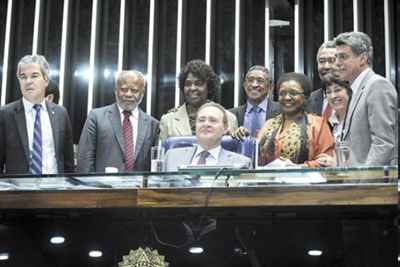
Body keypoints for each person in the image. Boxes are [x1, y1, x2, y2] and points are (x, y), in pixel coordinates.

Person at [0, 54, 74, 174]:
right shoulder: (5, 115)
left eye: (34, 76)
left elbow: (68, 163)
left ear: (46, 80)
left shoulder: (61, 114)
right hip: (19, 190)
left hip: (54, 188)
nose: (28, 81)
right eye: (23, 77)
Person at [334, 31, 398, 166]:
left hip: (370, 183)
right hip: (353, 181)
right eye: (336, 57)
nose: (337, 63)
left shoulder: (377, 85)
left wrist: (365, 180)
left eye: (343, 57)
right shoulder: (354, 89)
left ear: (363, 59)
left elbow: (383, 144)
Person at [77, 70, 159, 172]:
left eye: (134, 90)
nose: (128, 94)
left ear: (142, 94)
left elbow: (155, 165)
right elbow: (85, 160)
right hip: (103, 187)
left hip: (139, 187)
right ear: (116, 91)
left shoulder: (153, 125)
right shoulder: (96, 117)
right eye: (124, 89)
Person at [257, 72, 335, 168]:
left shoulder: (318, 124)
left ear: (305, 97)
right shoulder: (269, 124)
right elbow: (256, 156)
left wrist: (300, 167)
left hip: (304, 181)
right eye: (282, 93)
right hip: (268, 181)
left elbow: (327, 161)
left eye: (293, 93)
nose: (287, 97)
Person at [159, 59, 238, 143]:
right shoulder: (168, 120)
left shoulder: (229, 118)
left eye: (198, 83)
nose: (192, 88)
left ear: (209, 87)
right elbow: (162, 154)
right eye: (188, 84)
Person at [163, 102, 252, 171]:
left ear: (225, 128)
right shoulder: (171, 157)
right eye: (201, 120)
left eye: (213, 120)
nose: (206, 124)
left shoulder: (242, 164)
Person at [229, 65, 280, 138]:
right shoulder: (231, 115)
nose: (254, 85)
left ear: (270, 87)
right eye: (250, 80)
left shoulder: (282, 111)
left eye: (260, 81)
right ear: (244, 85)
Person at [307, 40, 337, 116]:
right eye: (322, 61)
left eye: (332, 60)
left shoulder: (355, 96)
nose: (326, 66)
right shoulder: (309, 99)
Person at [322, 75, 352, 141]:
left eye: (337, 90)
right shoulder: (328, 122)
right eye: (328, 92)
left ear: (349, 91)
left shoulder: (359, 118)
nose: (333, 96)